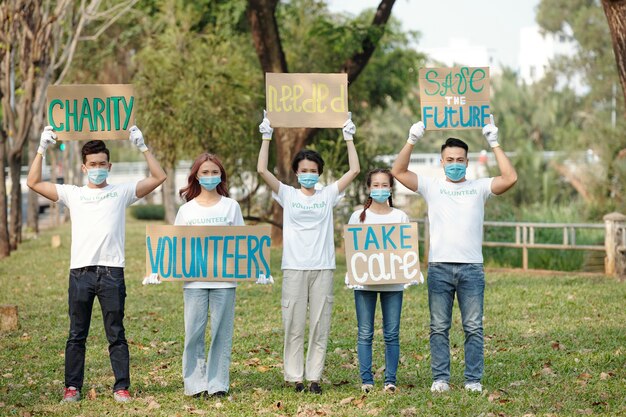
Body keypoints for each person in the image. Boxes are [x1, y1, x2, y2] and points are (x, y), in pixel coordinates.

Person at [26, 126, 167, 403]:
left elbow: (159, 177)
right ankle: (72, 388)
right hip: (80, 273)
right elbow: (32, 182)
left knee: (116, 333)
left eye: (102, 164)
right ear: (84, 167)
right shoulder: (73, 194)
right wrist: (42, 148)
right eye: (93, 164)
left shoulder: (122, 191)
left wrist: (142, 145)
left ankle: (121, 387)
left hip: (112, 273)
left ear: (109, 166)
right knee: (77, 334)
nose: (98, 168)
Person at [390, 115, 517, 393]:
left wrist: (493, 141)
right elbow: (398, 171)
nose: (456, 164)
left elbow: (510, 177)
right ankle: (441, 379)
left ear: (467, 162)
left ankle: (473, 379)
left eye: (461, 160)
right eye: (450, 160)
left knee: (473, 327)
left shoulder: (479, 187)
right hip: (439, 268)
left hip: (472, 268)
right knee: (438, 327)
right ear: (442, 161)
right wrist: (412, 138)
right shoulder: (431, 186)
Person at [256, 111, 360, 394]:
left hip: (323, 267)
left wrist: (348, 137)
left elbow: (354, 171)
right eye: (304, 170)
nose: (308, 175)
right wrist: (267, 136)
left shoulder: (327, 194)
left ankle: (314, 377)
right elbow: (262, 171)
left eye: (313, 170)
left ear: (319, 172)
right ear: (296, 172)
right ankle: (295, 377)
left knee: (319, 324)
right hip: (294, 268)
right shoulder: (288, 194)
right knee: (294, 324)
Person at [174, 153, 244, 398]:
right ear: (196, 176)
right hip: (194, 281)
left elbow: (242, 242)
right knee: (193, 331)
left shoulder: (231, 206)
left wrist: (257, 269)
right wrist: (158, 270)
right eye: (205, 172)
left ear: (221, 175)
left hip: (225, 280)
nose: (210, 176)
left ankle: (217, 384)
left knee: (221, 332)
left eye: (215, 172)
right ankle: (195, 384)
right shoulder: (186, 210)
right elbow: (176, 246)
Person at [346, 168, 419, 394]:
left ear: (391, 188)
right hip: (365, 283)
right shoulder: (358, 217)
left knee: (391, 333)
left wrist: (411, 270)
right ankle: (366, 380)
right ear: (369, 188)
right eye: (375, 185)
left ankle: (390, 380)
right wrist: (351, 273)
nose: (380, 189)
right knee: (365, 332)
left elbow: (405, 249)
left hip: (393, 284)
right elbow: (352, 249)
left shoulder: (400, 217)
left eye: (384, 185)